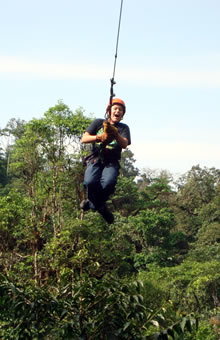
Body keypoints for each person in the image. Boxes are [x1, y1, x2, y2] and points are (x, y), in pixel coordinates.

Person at [80, 98, 131, 224]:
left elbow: (124, 143)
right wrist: (99, 137)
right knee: (89, 182)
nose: (118, 111)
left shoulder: (123, 128)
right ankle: (100, 207)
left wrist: (115, 134)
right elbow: (84, 138)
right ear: (109, 111)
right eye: (115, 109)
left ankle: (92, 203)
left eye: (120, 110)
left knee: (108, 183)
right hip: (96, 159)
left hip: (111, 162)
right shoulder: (98, 123)